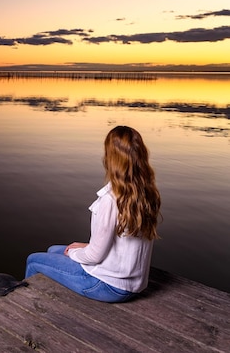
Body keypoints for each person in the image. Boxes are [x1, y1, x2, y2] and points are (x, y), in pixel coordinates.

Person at [24, 125, 162, 303]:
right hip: (132, 283)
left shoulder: (111, 199)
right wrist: (81, 247)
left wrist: (74, 254)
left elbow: (95, 256)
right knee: (53, 250)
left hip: (105, 285)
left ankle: (26, 304)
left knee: (34, 260)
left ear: (111, 158)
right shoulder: (146, 193)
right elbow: (117, 243)